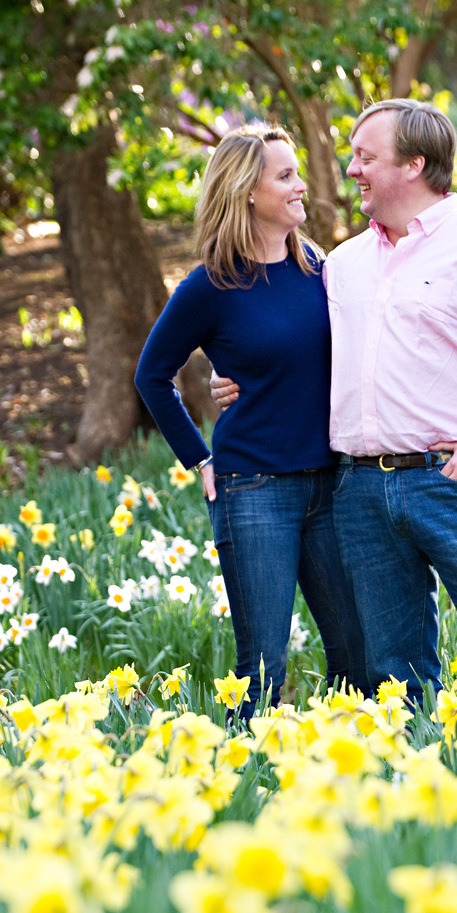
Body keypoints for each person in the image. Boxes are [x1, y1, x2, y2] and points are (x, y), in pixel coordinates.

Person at [211, 100, 457, 704]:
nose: (351, 170)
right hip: (359, 493)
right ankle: (413, 759)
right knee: (392, 674)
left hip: (451, 481)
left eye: (365, 158)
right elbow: (300, 344)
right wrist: (245, 376)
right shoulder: (341, 265)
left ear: (414, 165)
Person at [135, 124, 368, 716]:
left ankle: (350, 759)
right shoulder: (210, 286)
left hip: (332, 485)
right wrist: (200, 458)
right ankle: (248, 766)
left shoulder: (319, 268)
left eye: (297, 172)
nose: (301, 186)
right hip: (255, 490)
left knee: (357, 655)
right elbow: (152, 376)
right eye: (285, 176)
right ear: (246, 191)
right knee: (262, 669)